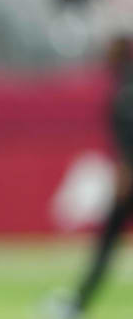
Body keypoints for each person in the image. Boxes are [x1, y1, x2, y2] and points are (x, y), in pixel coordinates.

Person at [53, 35, 133, 319]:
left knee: (108, 242)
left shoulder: (126, 86)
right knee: (107, 243)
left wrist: (126, 169)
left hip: (129, 177)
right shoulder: (122, 83)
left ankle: (77, 303)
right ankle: (78, 301)